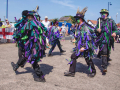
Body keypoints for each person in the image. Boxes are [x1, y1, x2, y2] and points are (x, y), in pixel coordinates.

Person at [11, 10, 46, 82]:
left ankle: (41, 77)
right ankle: (16, 66)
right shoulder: (39, 23)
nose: (26, 18)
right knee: (27, 56)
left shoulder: (30, 23)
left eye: (27, 17)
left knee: (33, 60)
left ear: (29, 16)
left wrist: (16, 36)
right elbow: (45, 30)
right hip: (36, 44)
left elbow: (22, 31)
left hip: (33, 45)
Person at [64, 7, 97, 77]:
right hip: (79, 46)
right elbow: (78, 35)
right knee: (73, 56)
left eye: (77, 19)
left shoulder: (85, 27)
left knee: (88, 59)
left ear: (81, 19)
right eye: (76, 19)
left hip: (85, 46)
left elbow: (89, 38)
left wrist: (84, 47)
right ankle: (71, 72)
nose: (76, 20)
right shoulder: (78, 27)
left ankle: (93, 71)